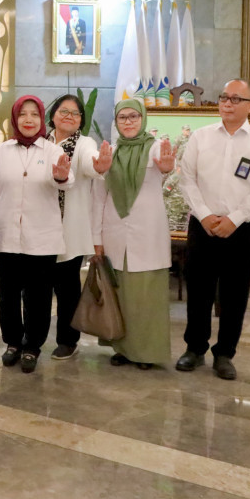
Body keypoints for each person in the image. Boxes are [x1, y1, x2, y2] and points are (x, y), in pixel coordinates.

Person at [177, 79, 250, 380]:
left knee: (235, 294)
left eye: (236, 99)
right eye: (224, 97)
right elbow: (187, 180)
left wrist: (234, 219)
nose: (228, 103)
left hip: (240, 228)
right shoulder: (201, 137)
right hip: (202, 226)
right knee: (198, 290)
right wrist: (206, 216)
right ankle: (194, 349)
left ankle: (224, 354)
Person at [0, 95, 74, 374]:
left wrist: (61, 176)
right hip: (7, 235)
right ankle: (12, 342)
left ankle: (32, 346)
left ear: (41, 119)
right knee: (9, 294)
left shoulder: (51, 150)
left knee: (38, 296)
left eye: (34, 114)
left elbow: (66, 182)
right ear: (14, 119)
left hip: (42, 238)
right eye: (22, 114)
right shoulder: (0, 151)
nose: (28, 119)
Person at [91, 98, 176, 369]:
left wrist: (166, 168)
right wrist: (97, 239)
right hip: (115, 233)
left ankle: (146, 352)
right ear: (115, 122)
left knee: (146, 296)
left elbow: (165, 168)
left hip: (148, 234)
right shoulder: (109, 151)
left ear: (142, 119)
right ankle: (123, 349)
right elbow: (99, 197)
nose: (128, 122)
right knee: (122, 295)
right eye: (122, 118)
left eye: (133, 117)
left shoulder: (155, 148)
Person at [45, 94, 111, 360]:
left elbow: (90, 162)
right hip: (38, 229)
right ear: (53, 116)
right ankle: (31, 338)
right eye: (64, 111)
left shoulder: (84, 143)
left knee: (67, 289)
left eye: (75, 113)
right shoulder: (40, 142)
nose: (69, 116)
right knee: (36, 289)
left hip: (68, 231)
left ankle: (67, 340)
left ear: (81, 120)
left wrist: (98, 165)